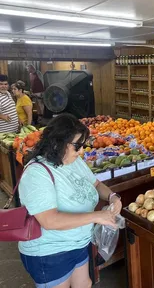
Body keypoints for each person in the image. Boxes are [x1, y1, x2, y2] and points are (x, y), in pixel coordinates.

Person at [18, 113, 122, 288]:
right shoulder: (37, 173)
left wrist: (113, 197)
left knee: (85, 284)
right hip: (50, 252)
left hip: (78, 242)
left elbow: (96, 184)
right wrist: (96, 216)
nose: (81, 151)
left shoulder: (73, 161)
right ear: (58, 142)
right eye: (77, 146)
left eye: (83, 145)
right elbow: (49, 221)